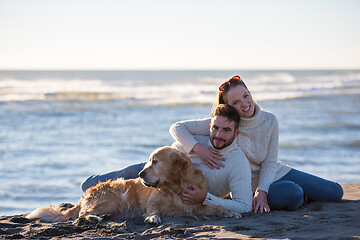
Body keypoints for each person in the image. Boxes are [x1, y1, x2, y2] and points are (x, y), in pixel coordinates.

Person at [170, 75, 344, 213]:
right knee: (294, 194)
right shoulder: (224, 125)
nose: (245, 104)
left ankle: (300, 193)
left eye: (246, 96)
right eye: (235, 103)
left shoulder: (270, 120)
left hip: (275, 173)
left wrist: (263, 192)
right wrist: (199, 149)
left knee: (336, 192)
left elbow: (269, 163)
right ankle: (301, 195)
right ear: (228, 107)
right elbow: (177, 128)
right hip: (248, 186)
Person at [81, 104, 253, 214]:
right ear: (209, 126)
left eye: (226, 130)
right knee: (111, 180)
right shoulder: (201, 138)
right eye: (215, 128)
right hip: (156, 168)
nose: (218, 135)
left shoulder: (238, 162)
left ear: (236, 133)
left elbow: (245, 206)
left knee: (119, 191)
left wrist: (204, 198)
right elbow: (176, 127)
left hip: (163, 179)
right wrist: (198, 149)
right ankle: (88, 187)